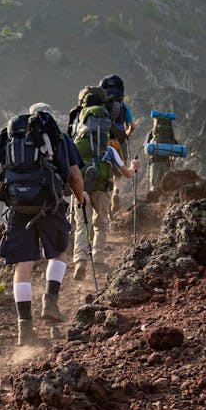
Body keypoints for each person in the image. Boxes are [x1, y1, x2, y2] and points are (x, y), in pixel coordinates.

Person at [0, 103, 86, 344]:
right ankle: (50, 302)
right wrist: (80, 198)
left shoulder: (9, 138)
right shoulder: (59, 138)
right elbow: (74, 176)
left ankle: (25, 328)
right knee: (58, 254)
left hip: (17, 209)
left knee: (23, 265)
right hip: (49, 206)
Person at [70, 94, 140, 280]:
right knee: (100, 224)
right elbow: (126, 173)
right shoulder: (109, 148)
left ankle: (80, 261)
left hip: (80, 189)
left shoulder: (76, 146)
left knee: (81, 226)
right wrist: (134, 168)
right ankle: (98, 261)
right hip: (102, 189)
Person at [100, 75, 136, 213]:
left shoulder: (101, 107)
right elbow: (132, 126)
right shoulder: (123, 107)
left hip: (103, 142)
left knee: (105, 173)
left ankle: (107, 198)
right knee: (118, 173)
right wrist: (126, 134)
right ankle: (116, 192)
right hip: (118, 143)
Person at [146, 111, 179, 200]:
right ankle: (164, 202)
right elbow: (175, 146)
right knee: (166, 185)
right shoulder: (169, 135)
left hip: (155, 162)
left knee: (154, 186)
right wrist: (172, 157)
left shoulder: (152, 134)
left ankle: (154, 203)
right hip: (166, 162)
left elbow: (146, 149)